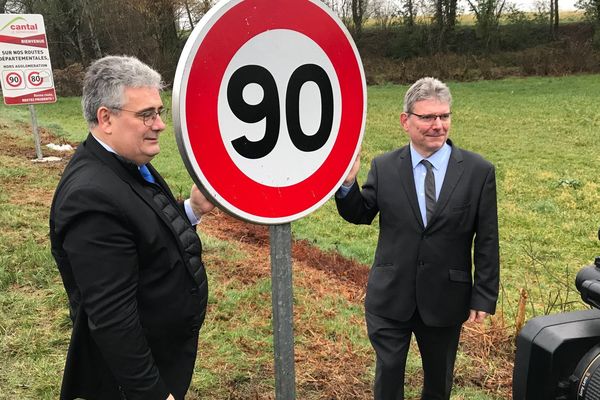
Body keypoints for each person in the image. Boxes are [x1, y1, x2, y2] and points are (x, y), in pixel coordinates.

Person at [49, 55, 214, 400]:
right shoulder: (91, 198)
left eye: (159, 111)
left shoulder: (126, 163)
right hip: (126, 384)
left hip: (162, 357)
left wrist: (192, 210)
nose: (160, 125)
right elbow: (113, 320)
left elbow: (147, 235)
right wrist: (153, 394)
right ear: (106, 118)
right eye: (146, 115)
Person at [336, 77, 499, 400]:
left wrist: (483, 294)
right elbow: (361, 213)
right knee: (389, 373)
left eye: (444, 116)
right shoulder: (384, 167)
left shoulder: (478, 171)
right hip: (390, 295)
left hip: (445, 297)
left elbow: (487, 239)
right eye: (427, 117)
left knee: (438, 382)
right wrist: (346, 185)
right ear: (406, 121)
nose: (437, 125)